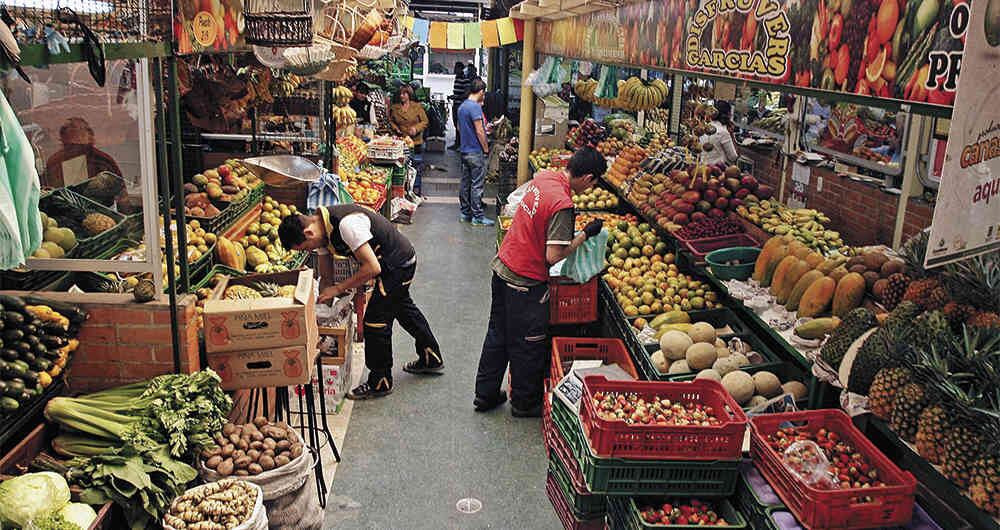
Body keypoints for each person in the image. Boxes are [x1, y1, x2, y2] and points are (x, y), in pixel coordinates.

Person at [473, 147, 608, 417]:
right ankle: (524, 403)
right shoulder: (563, 204)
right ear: (589, 177)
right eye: (594, 182)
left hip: (503, 266)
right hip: (525, 280)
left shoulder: (545, 177)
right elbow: (553, 255)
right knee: (528, 343)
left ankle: (485, 395)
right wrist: (584, 235)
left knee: (497, 334)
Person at [278, 204, 443, 400]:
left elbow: (372, 268)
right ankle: (431, 357)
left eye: (306, 247)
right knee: (402, 308)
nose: (309, 250)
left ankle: (380, 382)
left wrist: (339, 289)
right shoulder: (321, 230)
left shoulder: (347, 225)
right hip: (389, 262)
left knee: (375, 322)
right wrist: (322, 304)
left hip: (397, 264)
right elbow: (327, 275)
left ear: (308, 233)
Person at [43, 117, 123, 189]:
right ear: (63, 142)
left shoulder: (103, 161)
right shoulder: (54, 163)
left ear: (91, 140)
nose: (76, 151)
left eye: (82, 146)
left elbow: (122, 197)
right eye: (71, 146)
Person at [457, 78, 493, 226]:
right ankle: (477, 216)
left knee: (465, 183)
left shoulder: (462, 107)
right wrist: (485, 149)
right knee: (477, 185)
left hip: (464, 150)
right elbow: (480, 131)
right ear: (481, 92)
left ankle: (465, 213)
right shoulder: (475, 107)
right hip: (475, 151)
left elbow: (459, 128)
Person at [389, 85, 429, 196]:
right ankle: (404, 190)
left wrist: (416, 128)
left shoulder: (417, 107)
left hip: (416, 142)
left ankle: (415, 189)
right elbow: (391, 120)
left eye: (404, 94)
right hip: (402, 141)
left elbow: (425, 121)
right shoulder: (395, 108)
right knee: (402, 167)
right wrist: (395, 128)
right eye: (401, 94)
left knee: (416, 166)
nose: (402, 96)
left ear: (409, 95)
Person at [699, 100, 739, 166]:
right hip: (717, 171)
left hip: (702, 167)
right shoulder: (723, 132)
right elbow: (733, 157)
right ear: (728, 114)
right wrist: (731, 134)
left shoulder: (705, 128)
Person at [449, 63, 469, 150]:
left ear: (461, 69)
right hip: (456, 104)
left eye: (456, 68)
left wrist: (456, 97)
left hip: (461, 105)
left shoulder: (465, 79)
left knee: (460, 125)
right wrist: (452, 97)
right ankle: (457, 143)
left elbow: (467, 93)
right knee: (455, 124)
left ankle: (461, 144)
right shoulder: (457, 78)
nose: (455, 70)